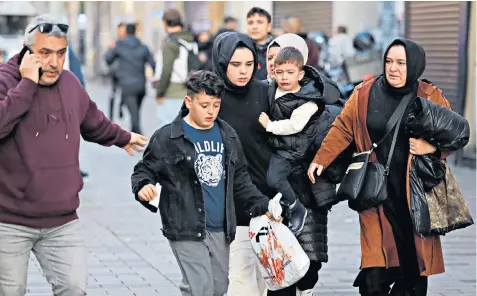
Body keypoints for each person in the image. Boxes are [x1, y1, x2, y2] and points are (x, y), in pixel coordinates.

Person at [0, 14, 147, 296]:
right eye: (45, 53)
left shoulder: (69, 83)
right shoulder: (6, 81)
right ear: (26, 52)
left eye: (61, 53)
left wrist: (123, 137)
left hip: (61, 221)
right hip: (9, 221)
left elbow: (93, 121)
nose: (55, 62)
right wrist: (27, 84)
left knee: (74, 289)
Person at [308, 38, 452, 296]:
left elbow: (455, 132)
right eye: (389, 61)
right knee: (374, 275)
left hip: (415, 196)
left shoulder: (430, 95)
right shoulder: (365, 93)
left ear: (415, 66)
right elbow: (343, 127)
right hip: (375, 193)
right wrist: (321, 158)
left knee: (413, 271)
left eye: (401, 63)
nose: (393, 68)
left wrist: (433, 149)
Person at [131, 70, 272, 296]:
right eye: (204, 105)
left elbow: (241, 181)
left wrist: (265, 205)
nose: (211, 112)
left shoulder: (228, 135)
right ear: (189, 101)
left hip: (220, 228)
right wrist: (143, 186)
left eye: (216, 105)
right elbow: (143, 171)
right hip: (185, 225)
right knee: (202, 288)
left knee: (218, 288)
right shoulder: (168, 137)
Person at [263, 35, 340, 296]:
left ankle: (305, 289)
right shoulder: (265, 92)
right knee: (277, 260)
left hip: (309, 187)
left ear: (301, 66)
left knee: (310, 257)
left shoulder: (317, 97)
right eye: (271, 60)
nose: (276, 68)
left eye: (283, 63)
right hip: (276, 188)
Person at [204, 31, 272, 296]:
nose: (243, 72)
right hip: (225, 205)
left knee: (267, 280)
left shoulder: (266, 92)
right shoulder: (209, 96)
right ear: (222, 63)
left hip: (265, 200)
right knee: (240, 282)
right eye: (235, 65)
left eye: (248, 64)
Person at [259, 47, 314, 234]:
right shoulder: (273, 89)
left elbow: (294, 125)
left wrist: (269, 125)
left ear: (300, 74)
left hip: (292, 150)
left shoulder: (308, 99)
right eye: (279, 72)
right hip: (276, 146)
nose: (284, 77)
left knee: (274, 178)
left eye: (290, 73)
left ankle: (295, 206)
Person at [105, 23, 156, 134]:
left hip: (127, 85)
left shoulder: (119, 46)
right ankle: (135, 131)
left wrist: (111, 48)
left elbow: (108, 59)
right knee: (135, 109)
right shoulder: (143, 47)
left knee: (134, 111)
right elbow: (153, 64)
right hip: (141, 85)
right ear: (135, 32)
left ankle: (137, 133)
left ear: (126, 32)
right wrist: (154, 76)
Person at [155, 8, 196, 129]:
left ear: (165, 23)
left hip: (172, 92)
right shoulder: (190, 40)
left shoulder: (170, 44)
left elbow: (166, 70)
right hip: (190, 90)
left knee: (168, 129)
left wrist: (159, 93)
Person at [246, 7, 274, 81]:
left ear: (269, 26)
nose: (254, 27)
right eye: (250, 23)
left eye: (260, 22)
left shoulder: (279, 50)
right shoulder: (242, 50)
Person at [108, 21, 127, 121]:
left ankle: (120, 107)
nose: (122, 32)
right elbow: (108, 57)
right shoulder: (115, 42)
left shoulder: (128, 42)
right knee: (113, 94)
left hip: (125, 73)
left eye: (124, 30)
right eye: (120, 30)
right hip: (115, 72)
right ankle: (110, 117)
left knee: (125, 93)